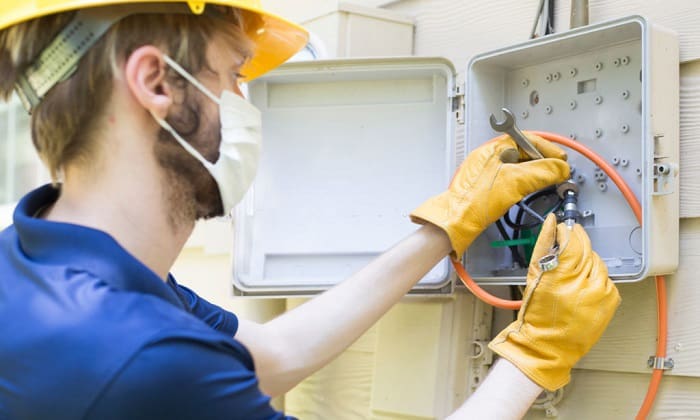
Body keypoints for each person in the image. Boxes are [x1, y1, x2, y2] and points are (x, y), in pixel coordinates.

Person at [0, 1, 621, 419]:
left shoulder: (43, 265)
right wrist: (535, 354)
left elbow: (271, 356)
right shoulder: (140, 356)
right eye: (234, 75)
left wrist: (444, 228)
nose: (246, 102)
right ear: (157, 84)